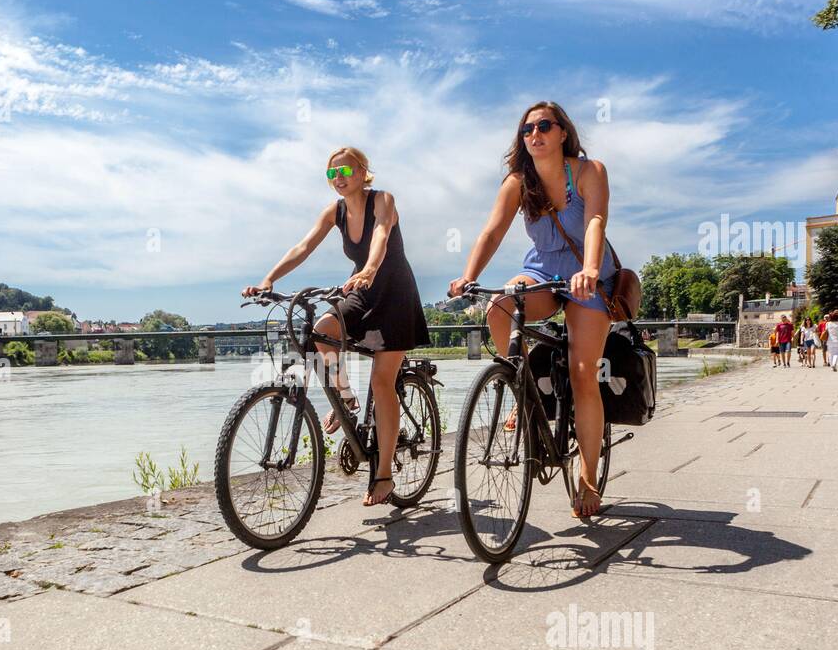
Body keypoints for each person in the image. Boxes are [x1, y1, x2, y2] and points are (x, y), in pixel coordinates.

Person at [448, 101, 617, 518]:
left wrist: (591, 269)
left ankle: (588, 478)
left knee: (582, 373)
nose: (535, 134)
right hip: (541, 267)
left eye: (544, 126)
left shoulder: (588, 171)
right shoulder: (518, 182)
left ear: (563, 132)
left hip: (587, 272)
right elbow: (492, 231)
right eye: (527, 129)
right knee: (500, 305)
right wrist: (467, 275)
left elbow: (595, 221)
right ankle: (523, 392)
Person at [243, 146, 429, 507]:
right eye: (332, 174)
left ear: (363, 172)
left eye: (345, 171)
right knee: (321, 331)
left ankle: (384, 474)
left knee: (382, 380)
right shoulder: (335, 211)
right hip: (360, 289)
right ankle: (346, 397)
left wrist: (371, 267)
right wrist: (268, 279)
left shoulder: (383, 200)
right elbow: (303, 246)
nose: (339, 179)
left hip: (395, 294)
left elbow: (381, 235)